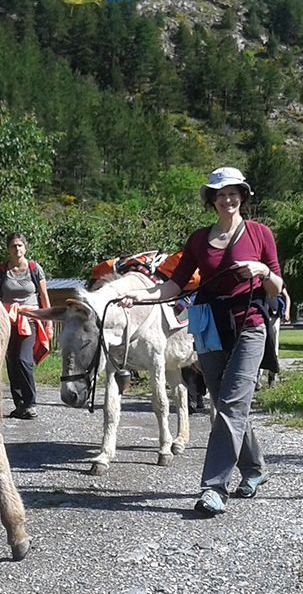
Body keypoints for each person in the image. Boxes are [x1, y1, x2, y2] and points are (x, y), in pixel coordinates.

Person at [118, 167, 284, 516]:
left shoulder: (260, 234)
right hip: (209, 324)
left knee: (230, 405)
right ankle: (255, 469)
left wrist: (261, 270)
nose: (228, 198)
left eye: (234, 192)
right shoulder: (197, 240)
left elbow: (277, 287)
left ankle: (214, 488)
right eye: (221, 193)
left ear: (243, 196)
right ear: (212, 199)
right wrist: (142, 298)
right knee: (225, 403)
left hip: (250, 323)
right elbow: (175, 285)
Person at [0, 232, 53, 420]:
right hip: (7, 320)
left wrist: (48, 322)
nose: (17, 248)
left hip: (30, 319)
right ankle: (20, 405)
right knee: (11, 362)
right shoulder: (2, 271)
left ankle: (31, 403)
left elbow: (44, 297)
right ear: (8, 249)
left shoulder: (35, 269)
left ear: (25, 248)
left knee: (23, 359)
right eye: (13, 245)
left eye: (20, 245)